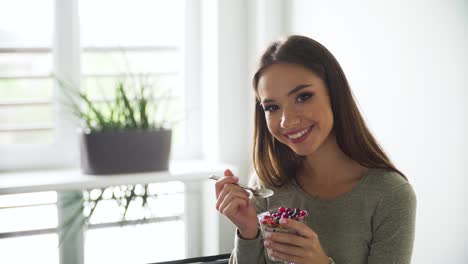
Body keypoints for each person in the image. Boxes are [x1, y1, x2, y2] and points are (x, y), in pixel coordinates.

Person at [213, 35, 416, 264]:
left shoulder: (390, 196)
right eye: (272, 107)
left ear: (334, 93)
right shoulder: (266, 183)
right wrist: (248, 231)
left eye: (303, 97)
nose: (286, 121)